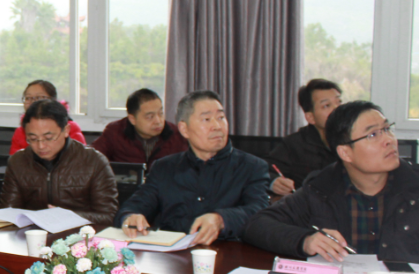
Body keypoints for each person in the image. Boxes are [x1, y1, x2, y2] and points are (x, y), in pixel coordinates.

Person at [244, 101, 419, 264]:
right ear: (345, 152)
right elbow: (257, 225)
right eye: (373, 134)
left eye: (387, 128)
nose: (389, 140)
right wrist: (305, 240)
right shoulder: (322, 188)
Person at [115, 90, 271, 246]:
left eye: (221, 117)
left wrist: (222, 219)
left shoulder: (252, 167)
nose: (217, 126)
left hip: (229, 252)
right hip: (173, 253)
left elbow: (260, 212)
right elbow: (136, 204)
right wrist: (130, 216)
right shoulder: (164, 167)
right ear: (184, 129)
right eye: (206, 119)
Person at [0, 99, 118, 227]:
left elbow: (108, 216)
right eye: (33, 139)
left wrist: (65, 216)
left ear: (66, 130)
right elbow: (7, 213)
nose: (41, 146)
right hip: (31, 234)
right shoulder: (18, 162)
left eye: (49, 138)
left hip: (80, 235)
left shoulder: (94, 162)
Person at [265, 78, 343, 195]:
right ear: (310, 117)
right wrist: (273, 181)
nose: (337, 109)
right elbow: (263, 171)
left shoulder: (356, 138)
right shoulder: (294, 144)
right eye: (327, 105)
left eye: (339, 102)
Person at [91, 88, 188, 168]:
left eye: (161, 114)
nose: (158, 121)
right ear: (132, 119)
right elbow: (91, 158)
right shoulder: (115, 132)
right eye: (150, 117)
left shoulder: (177, 135)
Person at [9, 80, 85, 154]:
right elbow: (15, 160)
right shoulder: (19, 131)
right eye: (28, 98)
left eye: (39, 97)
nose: (33, 102)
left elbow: (79, 156)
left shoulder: (71, 127)